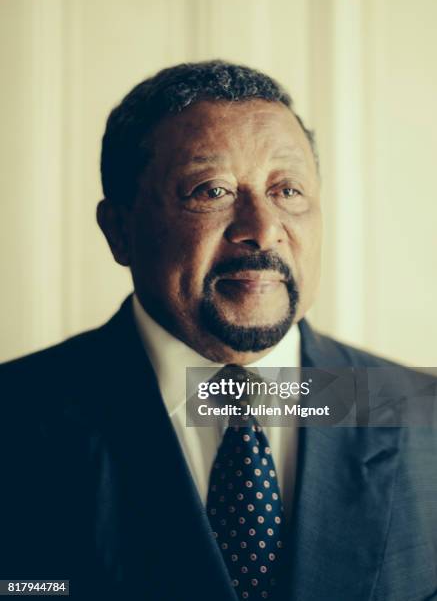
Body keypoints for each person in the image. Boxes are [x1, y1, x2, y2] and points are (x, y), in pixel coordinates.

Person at [0, 60, 436, 601]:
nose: (262, 230)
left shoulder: (423, 420)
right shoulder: (15, 419)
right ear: (119, 230)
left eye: (288, 190)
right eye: (212, 191)